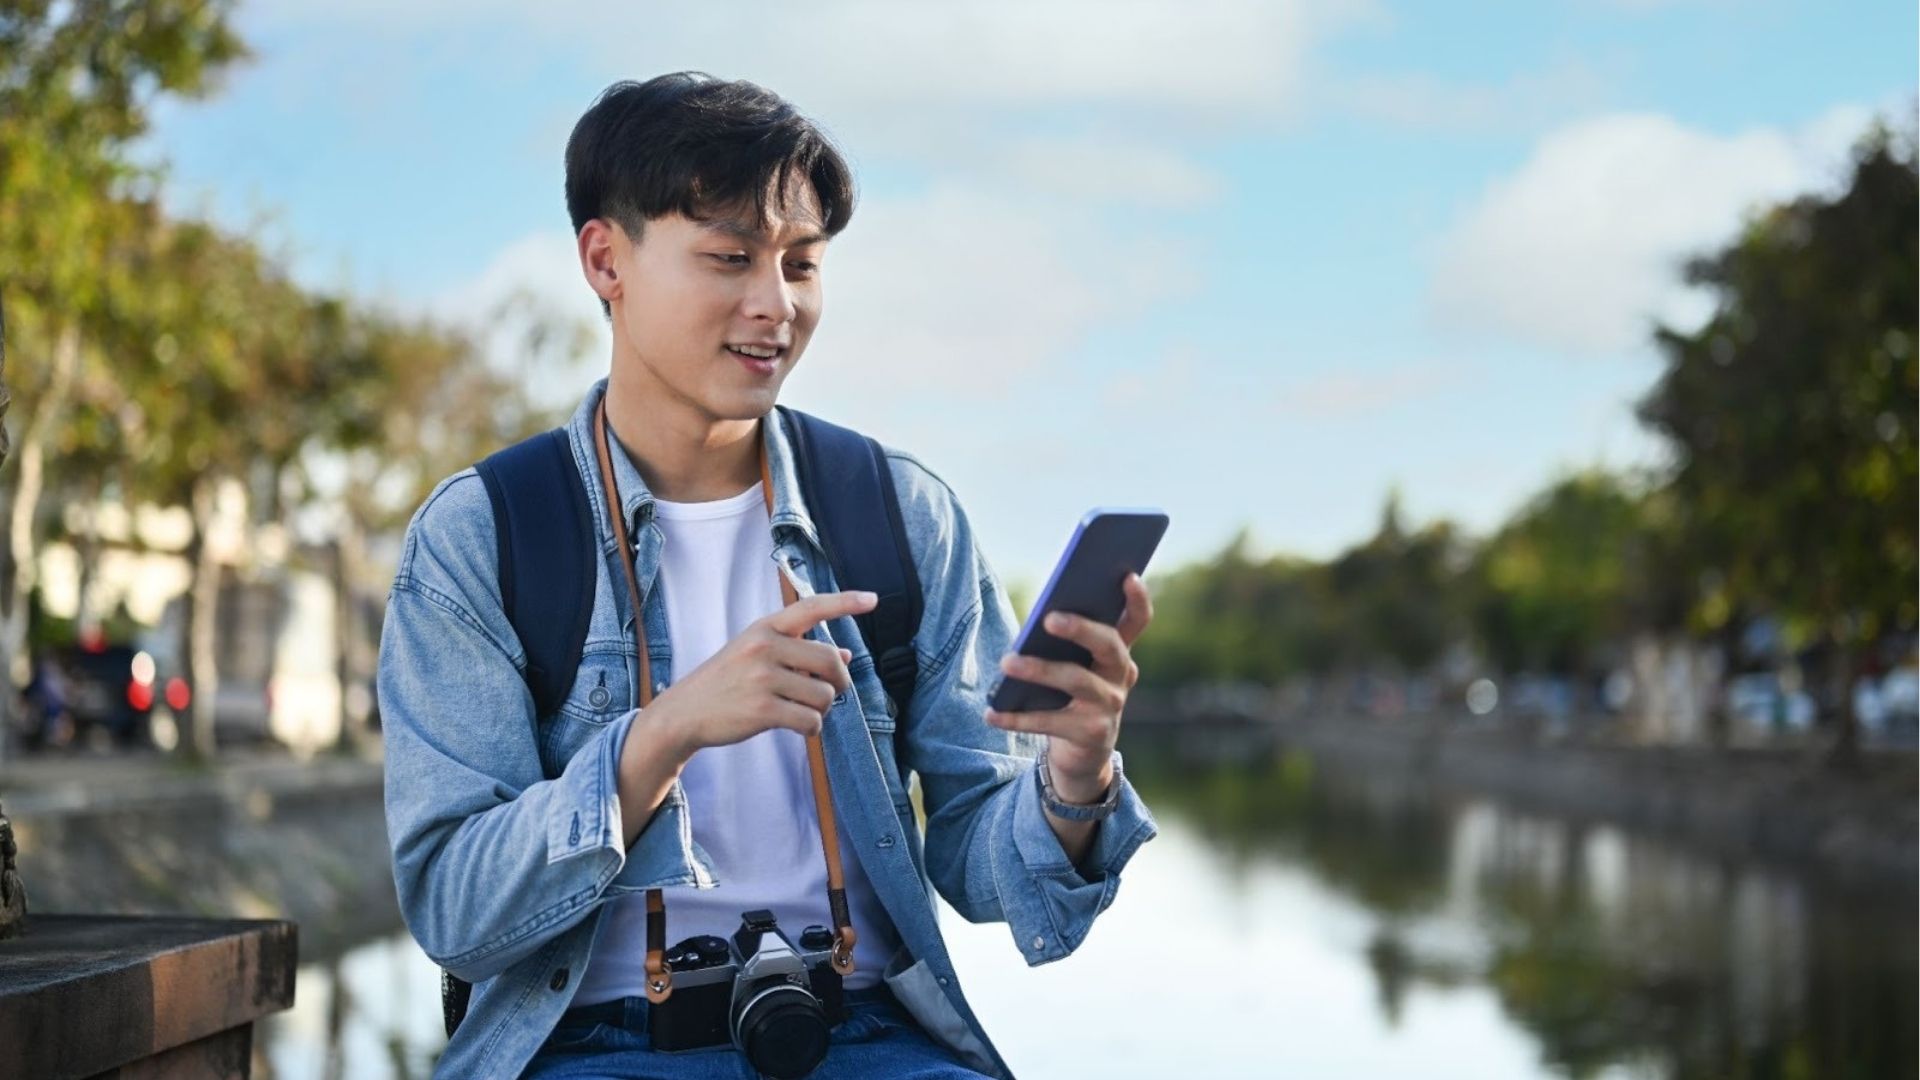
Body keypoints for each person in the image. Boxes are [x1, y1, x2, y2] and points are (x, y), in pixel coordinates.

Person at [379, 72, 1158, 1080]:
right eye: (730, 258)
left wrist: (1074, 775)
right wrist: (663, 734)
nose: (774, 305)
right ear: (605, 259)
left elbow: (977, 857)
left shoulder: (896, 511)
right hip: (594, 1045)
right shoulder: (486, 535)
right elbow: (455, 912)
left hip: (868, 1031)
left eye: (802, 264)